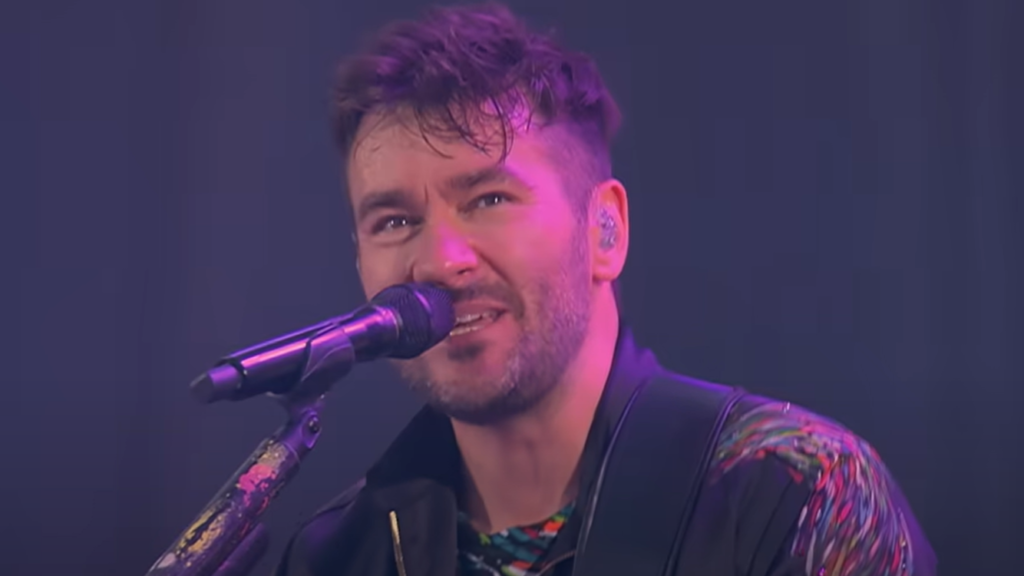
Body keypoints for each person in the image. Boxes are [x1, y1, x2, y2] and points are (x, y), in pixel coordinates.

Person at [274, 3, 936, 575]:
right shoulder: (337, 553)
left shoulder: (793, 489)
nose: (440, 262)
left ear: (605, 230)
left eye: (488, 199)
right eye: (394, 222)